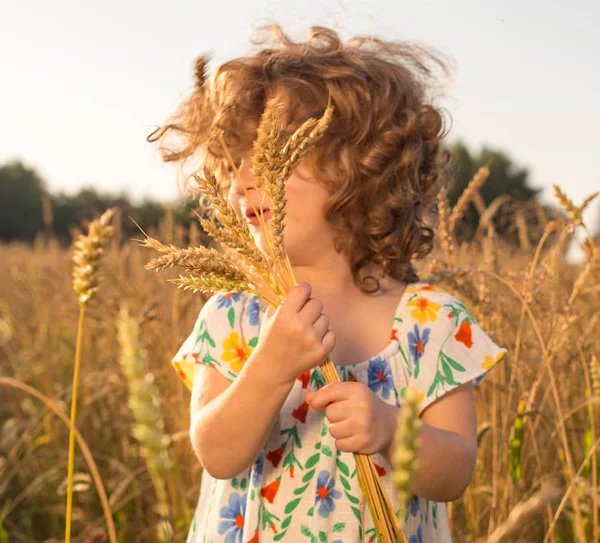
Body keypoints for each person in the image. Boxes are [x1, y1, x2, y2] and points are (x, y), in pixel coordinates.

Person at [151, 24, 507, 543]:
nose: (244, 178)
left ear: (360, 169)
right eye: (233, 162)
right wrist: (268, 368)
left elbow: (456, 471)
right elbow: (216, 453)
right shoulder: (233, 316)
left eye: (277, 156)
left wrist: (391, 430)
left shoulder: (433, 322)